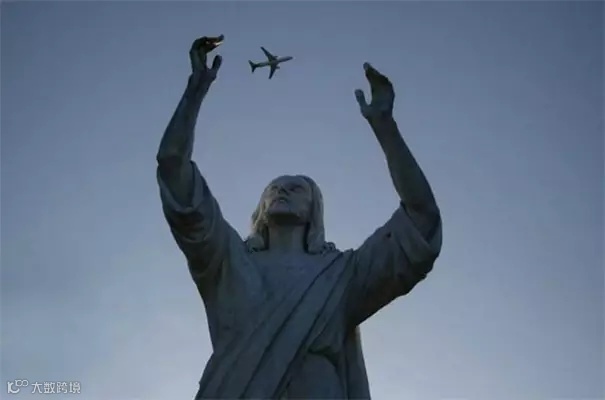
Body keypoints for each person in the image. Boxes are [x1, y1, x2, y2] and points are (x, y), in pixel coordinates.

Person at [156, 37, 443, 399]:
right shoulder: (227, 261)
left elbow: (421, 219)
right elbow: (173, 168)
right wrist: (195, 90)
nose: (281, 192)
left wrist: (385, 127)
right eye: (273, 189)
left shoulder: (340, 275)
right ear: (261, 209)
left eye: (295, 188)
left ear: (313, 209)